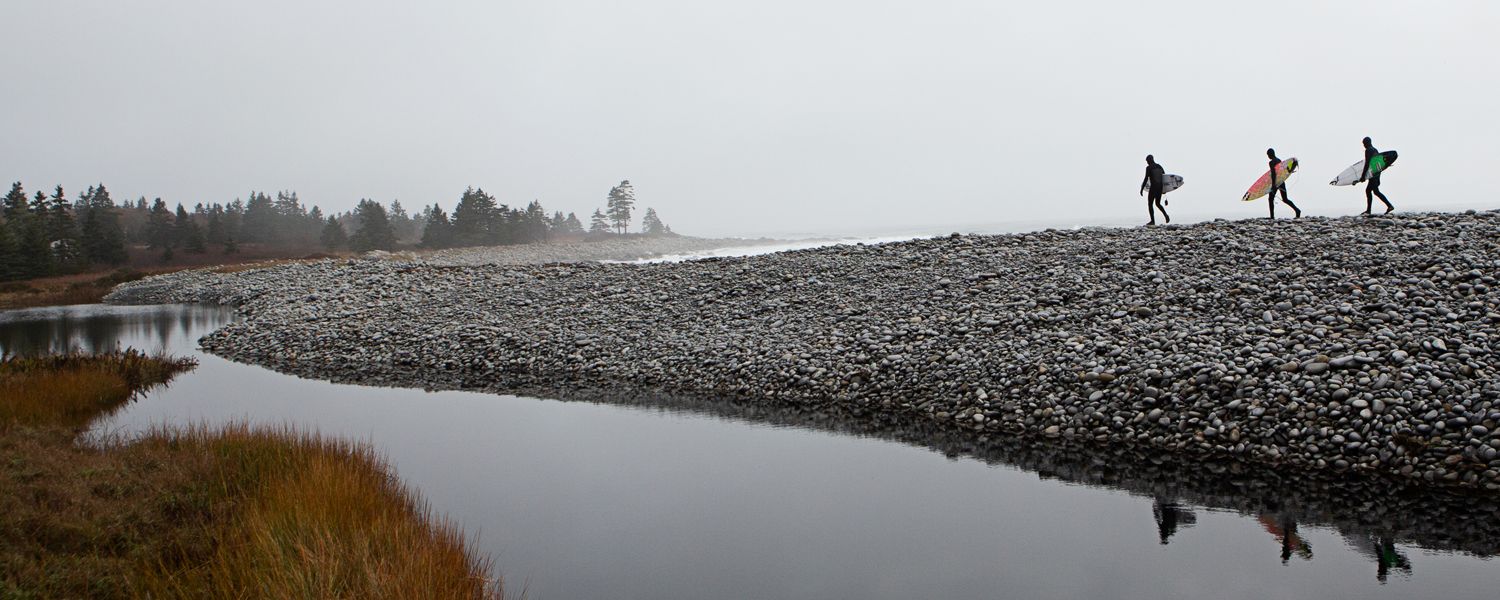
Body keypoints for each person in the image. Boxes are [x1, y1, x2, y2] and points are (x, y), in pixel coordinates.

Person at [1357, 136, 1394, 215]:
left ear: (1367, 143)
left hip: (1373, 174)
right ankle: (1388, 206)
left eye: (1364, 143)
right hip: (1376, 173)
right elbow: (1379, 163)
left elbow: (1367, 164)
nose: (1364, 145)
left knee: (1371, 191)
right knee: (1374, 191)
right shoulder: (1375, 150)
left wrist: (1363, 176)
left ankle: (1370, 210)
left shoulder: (1368, 150)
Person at [1265, 148, 1301, 219]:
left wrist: (1273, 185)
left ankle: (1272, 217)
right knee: (1285, 199)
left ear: (1270, 154)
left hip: (1276, 182)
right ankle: (1297, 210)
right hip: (1281, 182)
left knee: (1270, 199)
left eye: (1268, 155)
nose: (1268, 156)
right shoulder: (1279, 160)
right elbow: (1283, 171)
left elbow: (1273, 173)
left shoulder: (1271, 162)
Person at [1139, 155, 1169, 225]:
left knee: (1150, 204)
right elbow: (1164, 177)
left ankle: (1152, 221)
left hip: (1153, 188)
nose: (1147, 163)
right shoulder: (1159, 166)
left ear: (1150, 160)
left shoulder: (1148, 168)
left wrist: (1142, 188)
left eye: (1147, 161)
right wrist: (1164, 190)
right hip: (1160, 188)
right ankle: (1166, 215)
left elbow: (1146, 178)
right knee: (1158, 204)